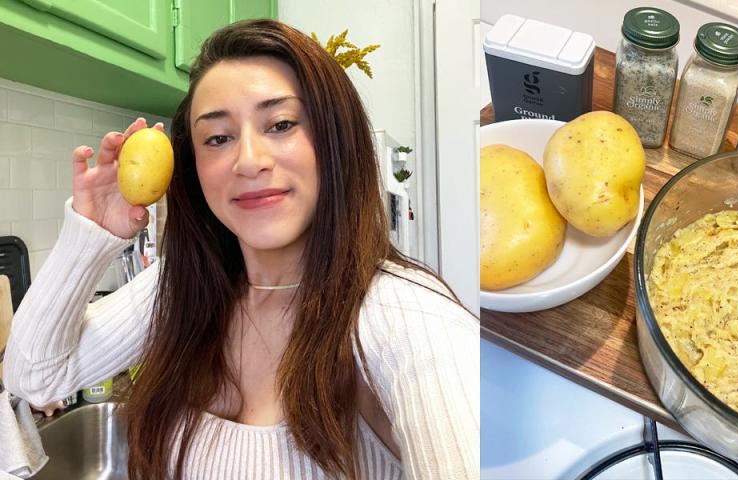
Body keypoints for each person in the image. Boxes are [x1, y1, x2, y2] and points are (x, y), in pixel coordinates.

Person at [2, 19, 478, 480]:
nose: (249, 161)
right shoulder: (185, 288)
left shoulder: (405, 312)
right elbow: (35, 379)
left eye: (281, 124)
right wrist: (91, 233)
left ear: (336, 140)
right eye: (219, 138)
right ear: (195, 167)